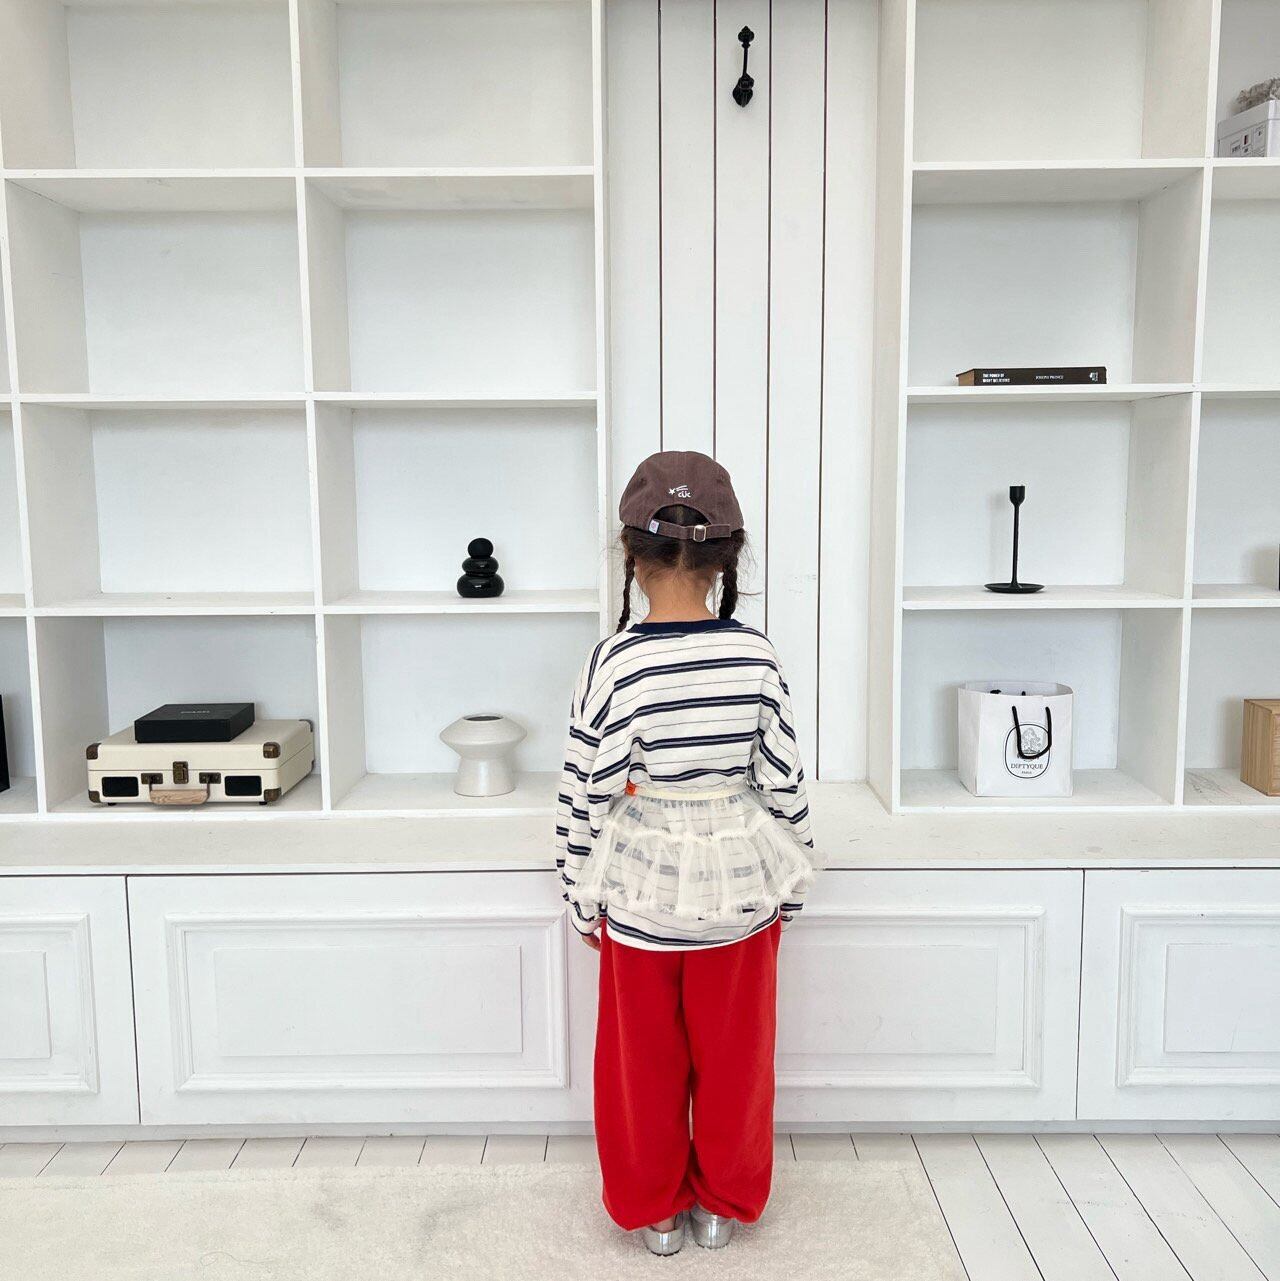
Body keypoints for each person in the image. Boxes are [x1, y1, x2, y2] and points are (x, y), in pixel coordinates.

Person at [554, 450, 819, 1255]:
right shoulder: (757, 655)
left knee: (641, 1067)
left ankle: (656, 1211)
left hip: (640, 894)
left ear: (630, 556)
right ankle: (722, 1206)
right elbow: (784, 781)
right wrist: (792, 882)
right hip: (740, 894)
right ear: (727, 559)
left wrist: (579, 896)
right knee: (738, 1062)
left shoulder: (613, 661)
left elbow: (584, 791)